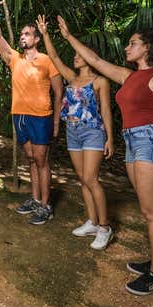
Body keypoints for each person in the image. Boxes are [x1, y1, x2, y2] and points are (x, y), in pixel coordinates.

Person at [57, 15, 153, 295]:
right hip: (132, 141)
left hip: (151, 140)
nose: (127, 47)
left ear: (148, 47)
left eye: (132, 43)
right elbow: (95, 61)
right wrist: (68, 36)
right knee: (149, 208)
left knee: (152, 211)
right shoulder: (129, 76)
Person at [0, 0, 63, 225]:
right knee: (30, 159)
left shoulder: (47, 60)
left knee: (41, 160)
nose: (22, 37)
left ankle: (46, 205)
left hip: (41, 117)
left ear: (36, 39)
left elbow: (59, 93)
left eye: (27, 34)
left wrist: (56, 122)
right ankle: (35, 200)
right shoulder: (14, 58)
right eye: (21, 34)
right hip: (20, 116)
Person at [36, 16, 115, 250]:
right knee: (82, 179)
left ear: (89, 57)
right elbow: (54, 58)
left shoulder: (100, 81)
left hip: (93, 132)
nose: (75, 56)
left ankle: (105, 227)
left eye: (79, 54)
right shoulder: (72, 78)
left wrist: (110, 138)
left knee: (91, 178)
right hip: (72, 132)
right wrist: (46, 34)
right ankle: (92, 221)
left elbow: (106, 111)